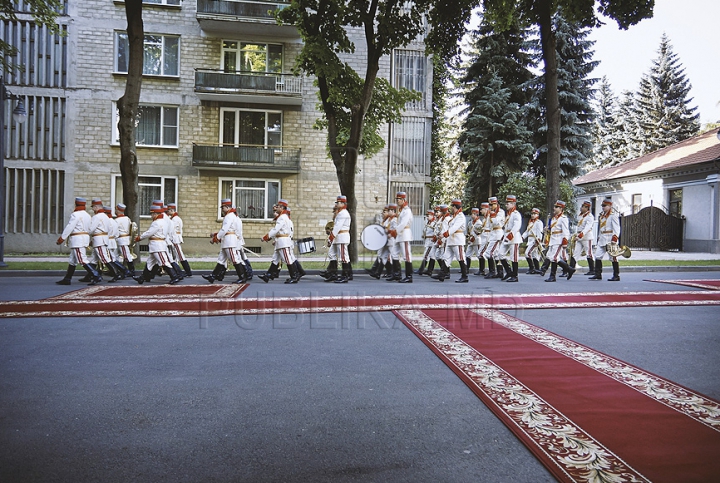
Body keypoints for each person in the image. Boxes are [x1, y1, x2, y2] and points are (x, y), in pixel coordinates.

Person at [56, 197, 102, 285]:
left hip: (77, 240)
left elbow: (70, 227)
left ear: (76, 204)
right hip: (84, 238)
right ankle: (67, 278)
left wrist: (62, 238)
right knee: (72, 260)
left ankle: (96, 275)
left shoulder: (75, 215)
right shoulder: (87, 215)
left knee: (82, 259)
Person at [133, 205, 182, 284]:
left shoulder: (157, 223)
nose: (151, 216)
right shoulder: (163, 221)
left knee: (164, 262)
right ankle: (142, 277)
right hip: (157, 245)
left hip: (157, 246)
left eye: (152, 214)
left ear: (155, 214)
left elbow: (149, 233)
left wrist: (139, 238)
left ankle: (174, 276)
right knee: (150, 262)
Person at [203, 199, 248, 284]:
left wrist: (216, 238)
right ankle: (213, 276)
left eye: (223, 207)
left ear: (227, 207)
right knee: (221, 259)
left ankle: (242, 277)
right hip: (227, 240)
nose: (222, 209)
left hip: (229, 241)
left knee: (234, 259)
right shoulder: (231, 216)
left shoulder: (229, 216)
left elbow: (224, 229)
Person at [259, 200, 302, 284]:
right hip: (281, 241)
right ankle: (268, 275)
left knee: (288, 259)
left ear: (282, 207)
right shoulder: (284, 217)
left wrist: (266, 237)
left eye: (278, 206)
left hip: (283, 242)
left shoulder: (282, 217)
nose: (276, 208)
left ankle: (294, 277)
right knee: (275, 259)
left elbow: (276, 230)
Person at [88, 198, 122, 283]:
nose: (92, 209)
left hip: (99, 240)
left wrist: (84, 233)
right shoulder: (105, 216)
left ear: (96, 207)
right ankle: (92, 275)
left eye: (93, 207)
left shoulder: (96, 217)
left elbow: (91, 229)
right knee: (94, 259)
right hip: (103, 239)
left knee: (104, 258)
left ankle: (116, 274)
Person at [543, 200, 576, 282]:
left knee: (554, 258)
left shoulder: (563, 218)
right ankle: (570, 269)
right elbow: (553, 229)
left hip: (559, 240)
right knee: (551, 257)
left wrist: (565, 241)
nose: (554, 208)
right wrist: (547, 229)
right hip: (553, 239)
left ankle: (553, 276)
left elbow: (566, 231)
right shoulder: (554, 218)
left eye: (556, 207)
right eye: (555, 206)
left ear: (561, 208)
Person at [590, 198, 622, 281]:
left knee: (613, 257)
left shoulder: (613, 215)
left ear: (610, 206)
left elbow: (617, 228)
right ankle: (598, 274)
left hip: (610, 238)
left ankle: (616, 275)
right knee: (597, 256)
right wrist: (599, 237)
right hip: (602, 238)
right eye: (602, 206)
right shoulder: (602, 216)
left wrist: (614, 238)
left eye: (605, 206)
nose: (603, 207)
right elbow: (601, 228)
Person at [325, 195, 352, 283]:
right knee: (331, 254)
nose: (337, 204)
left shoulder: (343, 213)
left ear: (343, 203)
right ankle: (333, 274)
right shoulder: (340, 213)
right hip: (338, 237)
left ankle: (346, 276)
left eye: (339, 202)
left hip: (342, 237)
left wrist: (330, 238)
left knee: (343, 257)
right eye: (337, 202)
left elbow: (337, 227)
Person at [440, 199, 468, 283]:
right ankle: (442, 274)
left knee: (460, 257)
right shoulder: (454, 216)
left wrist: (445, 234)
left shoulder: (460, 216)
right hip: (451, 240)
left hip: (457, 239)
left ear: (455, 207)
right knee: (446, 257)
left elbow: (454, 228)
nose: (451, 208)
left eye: (452, 206)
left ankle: (464, 276)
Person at [498, 195, 522, 282]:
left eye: (508, 203)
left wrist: (510, 235)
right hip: (507, 236)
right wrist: (504, 236)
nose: (506, 205)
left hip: (514, 238)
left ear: (513, 204)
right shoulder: (508, 215)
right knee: (500, 254)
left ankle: (515, 276)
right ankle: (509, 272)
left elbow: (517, 226)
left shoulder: (516, 214)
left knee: (514, 257)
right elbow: (506, 227)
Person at [392, 191, 414, 283]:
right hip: (399, 235)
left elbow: (403, 223)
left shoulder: (407, 211)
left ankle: (409, 276)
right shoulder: (401, 210)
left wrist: (395, 231)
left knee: (406, 255)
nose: (397, 201)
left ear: (403, 200)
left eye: (399, 199)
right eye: (397, 199)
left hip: (404, 234)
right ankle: (397, 274)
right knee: (394, 253)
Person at [167, 202, 193, 278]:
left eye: (168, 211)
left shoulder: (175, 219)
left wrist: (172, 238)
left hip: (175, 238)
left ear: (172, 210)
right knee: (176, 255)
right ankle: (182, 271)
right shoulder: (175, 218)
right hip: (176, 237)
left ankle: (188, 271)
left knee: (180, 255)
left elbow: (172, 230)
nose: (167, 212)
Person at [483, 196, 505, 279]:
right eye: (490, 205)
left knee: (489, 253)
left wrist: (492, 215)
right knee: (496, 254)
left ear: (496, 204)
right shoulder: (490, 212)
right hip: (492, 233)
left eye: (492, 205)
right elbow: (488, 225)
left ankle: (492, 271)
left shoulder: (501, 212)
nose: (490, 206)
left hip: (498, 233)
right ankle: (500, 272)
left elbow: (496, 221)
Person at [573, 200, 596, 276]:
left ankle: (592, 269)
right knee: (575, 253)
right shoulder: (580, 216)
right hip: (579, 236)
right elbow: (579, 226)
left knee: (589, 253)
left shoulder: (590, 217)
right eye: (582, 206)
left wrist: (580, 236)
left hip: (586, 237)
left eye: (583, 207)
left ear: (587, 208)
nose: (581, 208)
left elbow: (587, 228)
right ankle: (570, 268)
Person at [114, 203, 136, 276]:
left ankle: (131, 270)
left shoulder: (117, 220)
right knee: (122, 254)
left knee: (126, 255)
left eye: (116, 209)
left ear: (118, 210)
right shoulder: (127, 218)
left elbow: (115, 230)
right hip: (126, 238)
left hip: (121, 239)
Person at [522, 207, 544, 274]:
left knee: (527, 253)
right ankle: (537, 269)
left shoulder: (538, 222)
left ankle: (531, 268)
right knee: (534, 255)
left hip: (535, 240)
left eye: (534, 214)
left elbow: (540, 232)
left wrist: (538, 241)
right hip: (530, 240)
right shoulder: (530, 222)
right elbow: (527, 232)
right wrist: (522, 237)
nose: (533, 215)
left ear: (537, 215)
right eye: (532, 214)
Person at [430, 204, 449, 280]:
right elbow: (438, 229)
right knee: (438, 256)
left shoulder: (446, 219)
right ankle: (443, 272)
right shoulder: (441, 219)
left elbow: (445, 230)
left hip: (444, 240)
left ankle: (446, 273)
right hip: (439, 238)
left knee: (445, 257)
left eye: (439, 211)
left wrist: (441, 240)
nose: (436, 213)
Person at [416, 209, 436, 276]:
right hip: (427, 240)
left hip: (431, 241)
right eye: (427, 216)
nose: (427, 217)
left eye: (429, 215)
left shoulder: (434, 223)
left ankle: (421, 270)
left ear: (432, 215)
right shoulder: (428, 223)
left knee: (426, 255)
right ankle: (429, 271)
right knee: (432, 256)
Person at [474, 202, 491, 276]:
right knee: (481, 254)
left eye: (482, 209)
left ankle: (486, 270)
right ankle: (482, 270)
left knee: (482, 253)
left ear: (486, 209)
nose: (481, 211)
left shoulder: (489, 217)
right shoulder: (485, 218)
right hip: (484, 235)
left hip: (487, 236)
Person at [465, 207, 482, 276]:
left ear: (476, 215)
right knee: (467, 255)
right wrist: (468, 236)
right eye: (472, 214)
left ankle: (481, 269)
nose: (472, 215)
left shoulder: (479, 223)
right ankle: (466, 269)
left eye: (473, 214)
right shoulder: (470, 222)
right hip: (470, 240)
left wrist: (472, 239)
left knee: (479, 255)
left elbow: (478, 232)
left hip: (476, 240)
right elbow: (469, 230)